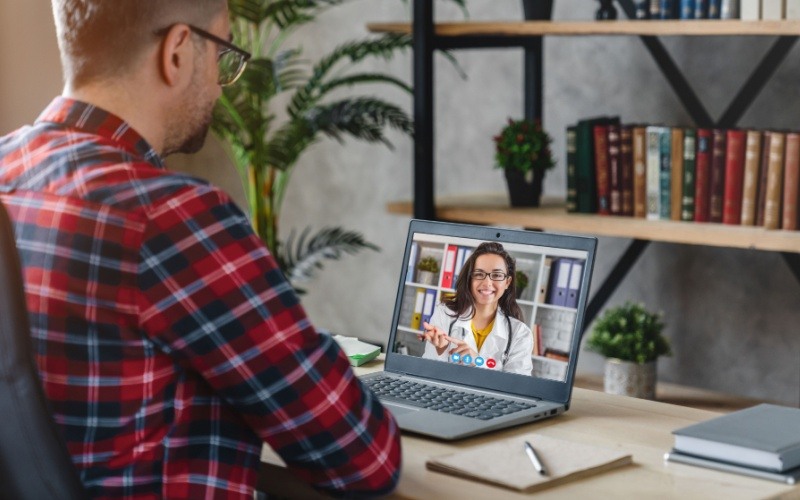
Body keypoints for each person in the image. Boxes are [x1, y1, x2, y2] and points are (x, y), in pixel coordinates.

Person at [0, 1, 400, 498]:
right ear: (178, 52)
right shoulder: (171, 218)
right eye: (224, 57)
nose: (219, 84)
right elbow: (365, 456)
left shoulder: (6, 169)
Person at [420, 242, 534, 375]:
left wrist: (478, 362)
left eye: (496, 275)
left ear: (507, 282)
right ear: (469, 279)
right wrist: (442, 350)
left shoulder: (520, 334)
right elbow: (427, 372)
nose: (487, 283)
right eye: (479, 274)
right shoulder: (444, 313)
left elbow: (517, 388)